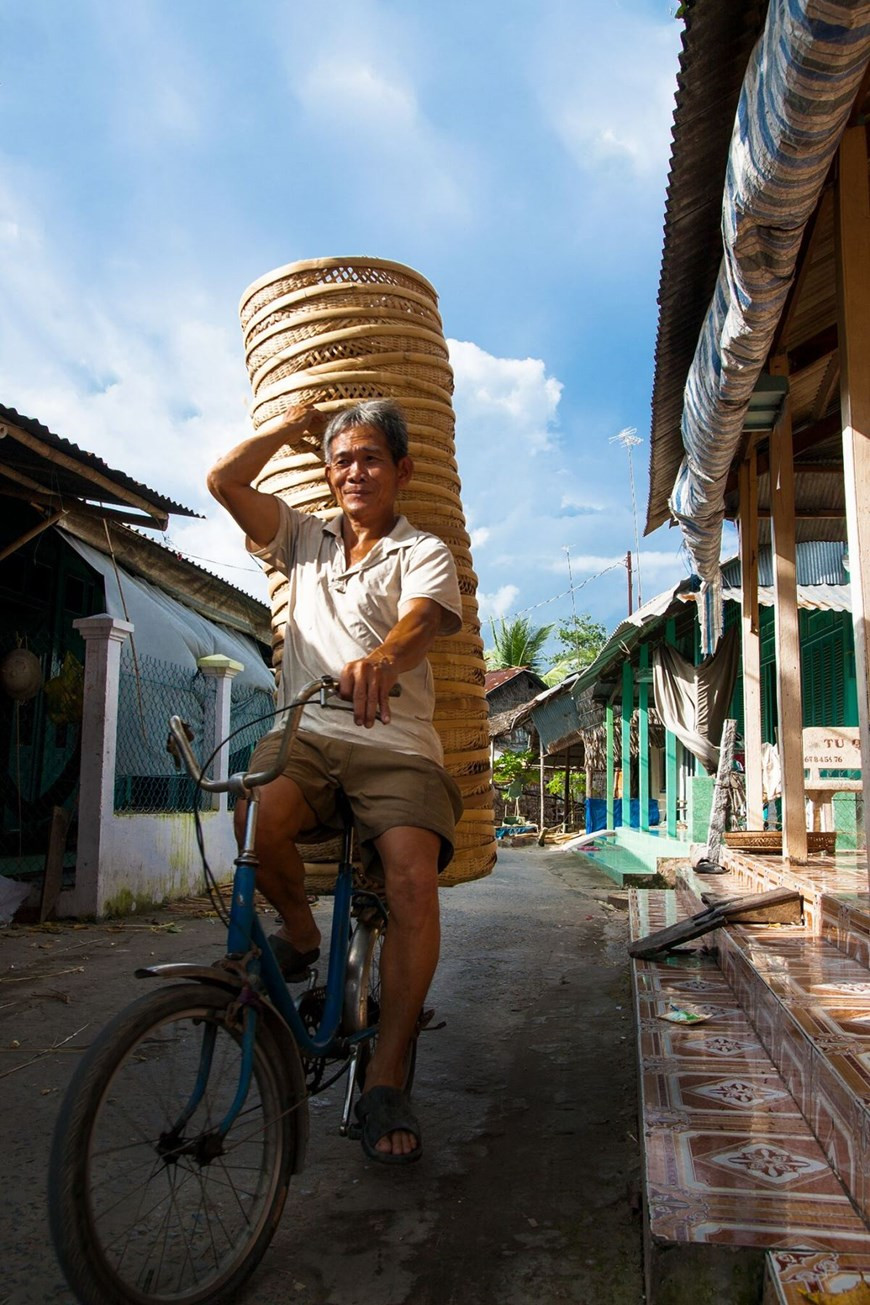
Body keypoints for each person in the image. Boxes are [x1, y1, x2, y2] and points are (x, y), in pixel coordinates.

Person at [206, 397, 463, 1164]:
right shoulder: (301, 537)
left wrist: (383, 657)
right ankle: (301, 932)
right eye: (343, 459)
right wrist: (289, 428)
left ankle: (387, 1075)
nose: (356, 471)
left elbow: (421, 620)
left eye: (371, 458)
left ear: (402, 470)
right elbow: (223, 480)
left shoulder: (423, 548)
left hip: (398, 743)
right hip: (309, 733)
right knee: (252, 811)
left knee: (413, 877)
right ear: (328, 472)